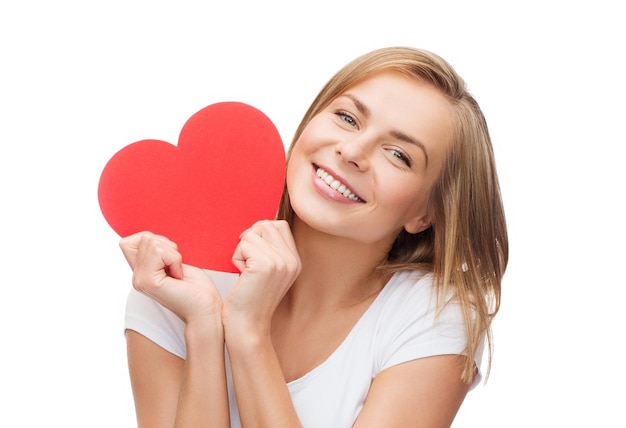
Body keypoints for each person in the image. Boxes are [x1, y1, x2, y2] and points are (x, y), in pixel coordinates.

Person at [120, 46, 508, 427]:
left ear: (425, 214)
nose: (352, 150)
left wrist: (249, 332)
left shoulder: (430, 316)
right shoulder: (176, 283)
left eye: (398, 155)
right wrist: (203, 328)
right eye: (347, 118)